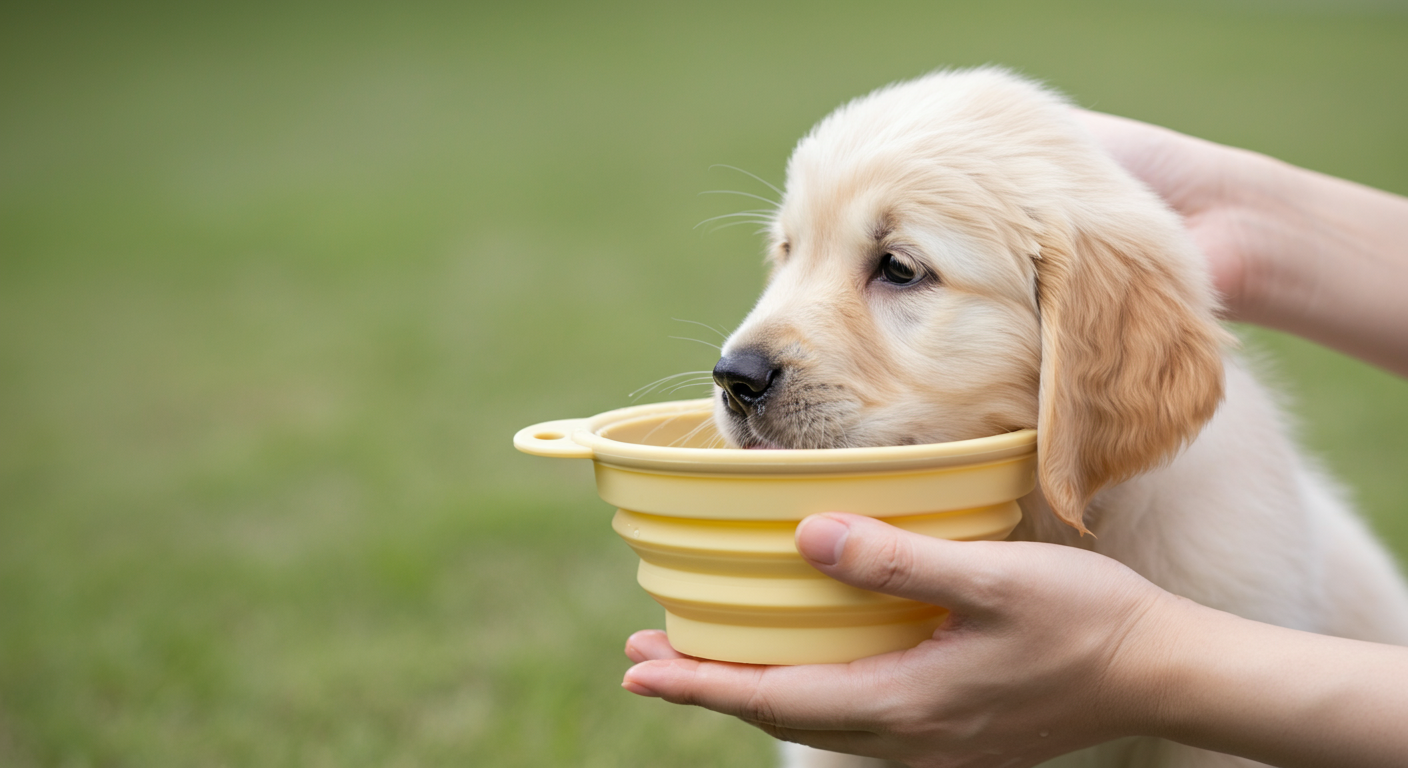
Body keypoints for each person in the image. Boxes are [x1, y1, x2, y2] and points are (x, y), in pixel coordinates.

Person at [619, 109, 1408, 768]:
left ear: (1081, 336)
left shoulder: (1233, 540)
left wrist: (1142, 660)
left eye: (896, 268)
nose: (743, 359)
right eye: (789, 251)